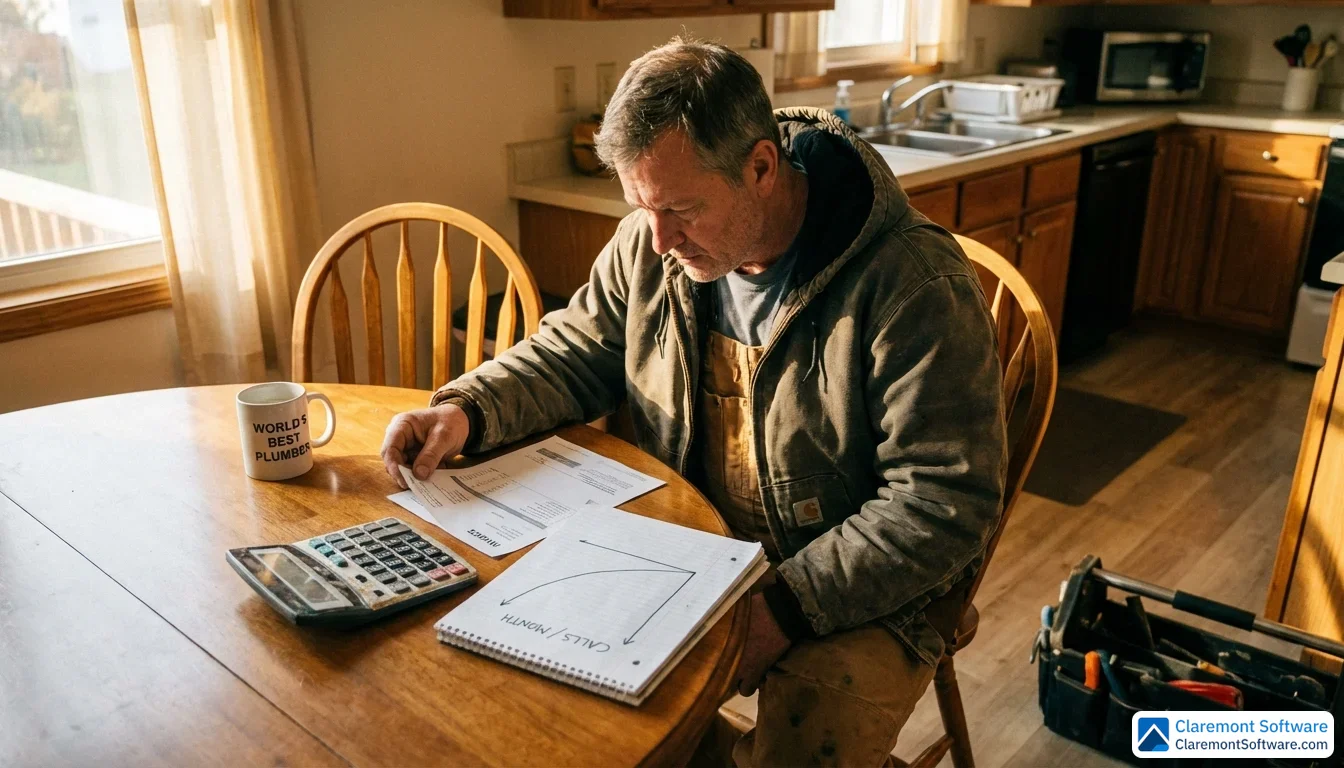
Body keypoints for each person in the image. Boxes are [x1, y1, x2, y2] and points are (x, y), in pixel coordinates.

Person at [381, 38, 1007, 767]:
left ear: (762, 167)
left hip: (859, 573)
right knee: (522, 668)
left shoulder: (914, 284)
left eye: (680, 208)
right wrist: (466, 410)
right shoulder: (650, 242)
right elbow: (575, 349)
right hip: (693, 540)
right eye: (641, 206)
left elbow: (940, 501)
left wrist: (783, 607)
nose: (658, 238)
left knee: (806, 742)